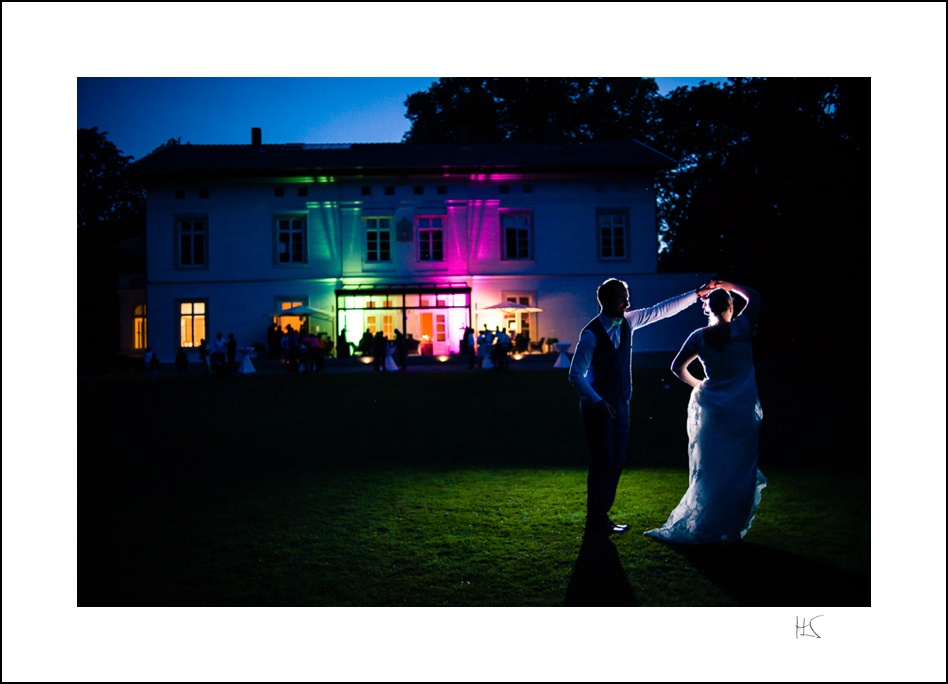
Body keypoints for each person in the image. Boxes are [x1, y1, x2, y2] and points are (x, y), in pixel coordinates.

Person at [568, 277, 714, 536]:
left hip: (622, 404)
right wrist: (598, 402)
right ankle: (596, 518)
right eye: (623, 297)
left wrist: (696, 295)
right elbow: (575, 374)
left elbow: (661, 311)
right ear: (608, 301)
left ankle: (601, 515)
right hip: (597, 408)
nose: (628, 302)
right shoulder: (590, 335)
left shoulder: (628, 322)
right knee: (603, 461)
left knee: (617, 460)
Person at [644, 280, 767, 544]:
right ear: (731, 306)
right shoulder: (743, 328)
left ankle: (709, 521)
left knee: (712, 466)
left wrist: (700, 384)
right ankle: (731, 527)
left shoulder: (698, 337)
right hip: (742, 409)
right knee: (739, 467)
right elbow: (755, 295)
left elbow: (677, 367)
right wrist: (728, 284)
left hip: (713, 405)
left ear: (708, 308)